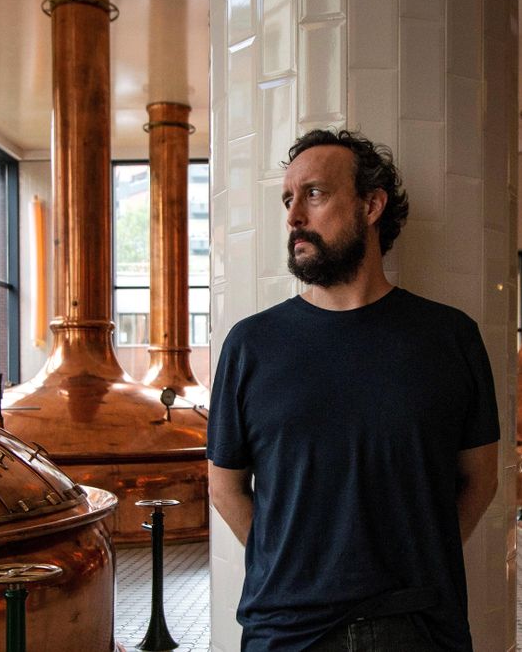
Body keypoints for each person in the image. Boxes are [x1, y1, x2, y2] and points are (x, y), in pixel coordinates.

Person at [207, 129, 500, 651]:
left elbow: (480, 481)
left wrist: (419, 562)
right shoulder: (251, 345)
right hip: (287, 633)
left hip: (419, 630)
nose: (294, 215)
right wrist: (290, 560)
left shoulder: (450, 338)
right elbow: (225, 486)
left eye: (314, 194)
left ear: (371, 205)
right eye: (288, 199)